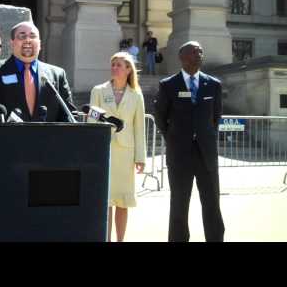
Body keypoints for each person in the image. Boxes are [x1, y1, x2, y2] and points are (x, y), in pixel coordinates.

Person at [0, 21, 77, 152]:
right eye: (22, 36)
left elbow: (68, 114)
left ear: (40, 44)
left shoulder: (57, 74)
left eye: (32, 36)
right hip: (6, 150)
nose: (28, 40)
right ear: (12, 43)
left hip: (48, 151)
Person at [153, 40, 224, 242]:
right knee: (179, 204)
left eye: (201, 51)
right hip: (180, 155)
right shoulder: (168, 85)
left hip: (206, 155)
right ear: (182, 57)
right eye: (194, 51)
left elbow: (216, 117)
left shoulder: (213, 85)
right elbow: (160, 117)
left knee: (211, 203)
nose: (199, 54)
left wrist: (205, 135)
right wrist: (173, 138)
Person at [89, 52, 146, 242]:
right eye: (113, 64)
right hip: (104, 152)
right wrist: (92, 151)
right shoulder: (98, 90)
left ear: (129, 69)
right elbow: (92, 121)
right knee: (105, 201)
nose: (114, 67)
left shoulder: (136, 95)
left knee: (123, 202)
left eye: (119, 65)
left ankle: (120, 240)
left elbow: (139, 128)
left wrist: (141, 157)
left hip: (126, 155)